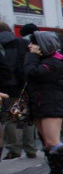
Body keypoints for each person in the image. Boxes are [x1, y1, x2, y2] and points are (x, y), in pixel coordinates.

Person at [26, 31, 63, 174]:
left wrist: (31, 57)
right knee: (46, 141)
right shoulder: (45, 60)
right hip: (40, 104)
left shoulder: (53, 63)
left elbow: (31, 73)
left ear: (42, 45)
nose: (30, 46)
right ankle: (56, 171)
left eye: (33, 43)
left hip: (51, 104)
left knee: (53, 141)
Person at [1, 22, 36, 160]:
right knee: (24, 116)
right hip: (23, 84)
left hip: (5, 86)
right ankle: (31, 148)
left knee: (8, 118)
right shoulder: (22, 43)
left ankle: (14, 148)